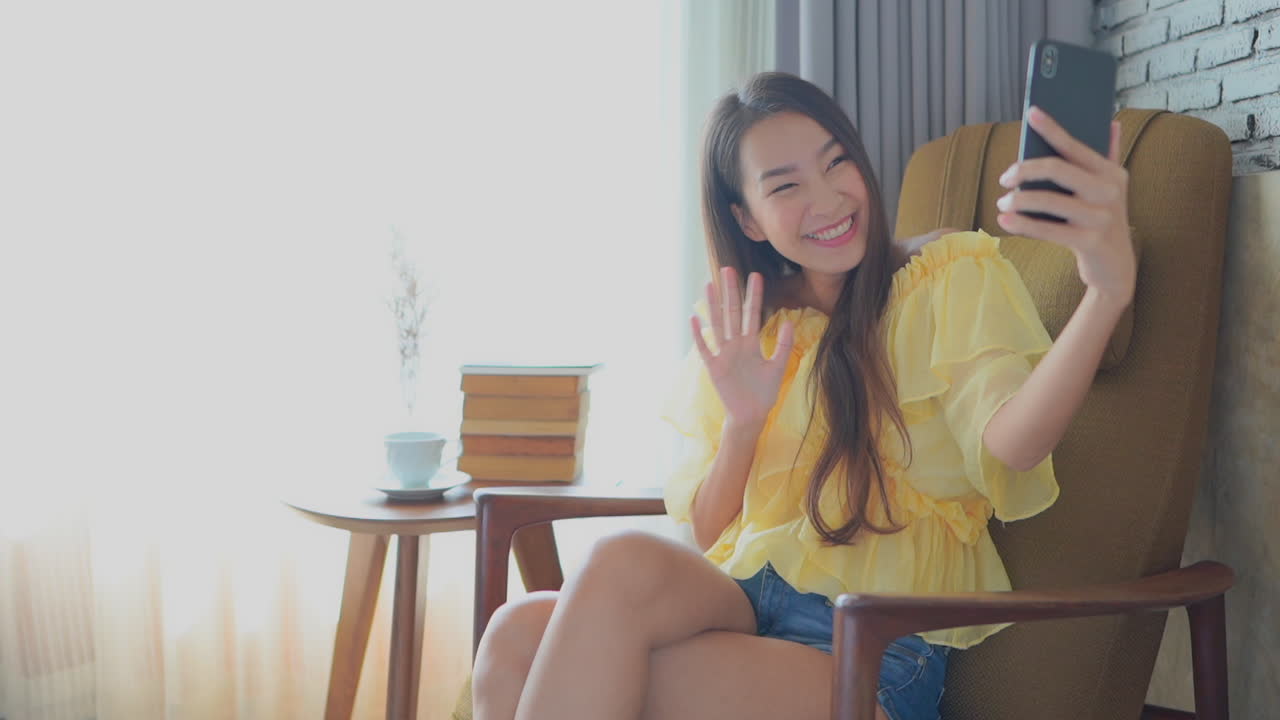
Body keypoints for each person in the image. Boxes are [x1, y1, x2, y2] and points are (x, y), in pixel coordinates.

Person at [471, 71, 1136, 720]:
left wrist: (1106, 292)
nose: (827, 200)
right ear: (749, 221)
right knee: (516, 631)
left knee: (596, 666)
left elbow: (1014, 443)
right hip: (743, 601)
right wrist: (743, 424)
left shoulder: (946, 276)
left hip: (865, 645)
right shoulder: (759, 328)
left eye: (835, 163)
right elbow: (710, 533)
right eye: (786, 186)